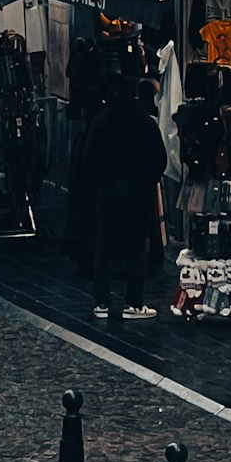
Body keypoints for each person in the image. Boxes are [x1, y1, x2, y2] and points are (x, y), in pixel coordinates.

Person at [79, 72, 168, 322]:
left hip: (108, 195)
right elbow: (160, 159)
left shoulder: (101, 122)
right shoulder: (145, 122)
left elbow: (88, 161)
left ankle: (102, 303)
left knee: (103, 249)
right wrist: (146, 182)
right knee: (136, 249)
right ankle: (133, 302)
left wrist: (99, 185)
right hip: (138, 196)